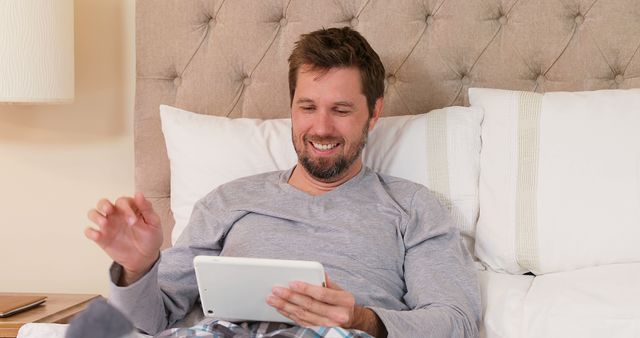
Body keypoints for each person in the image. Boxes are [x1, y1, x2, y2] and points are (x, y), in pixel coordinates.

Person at [86, 27, 481, 338]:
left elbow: (456, 321)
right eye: (307, 107)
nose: (321, 128)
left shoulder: (411, 207)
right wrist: (137, 269)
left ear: (374, 113)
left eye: (341, 110)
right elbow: (147, 321)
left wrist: (365, 320)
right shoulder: (228, 201)